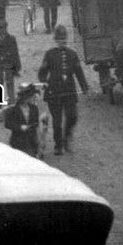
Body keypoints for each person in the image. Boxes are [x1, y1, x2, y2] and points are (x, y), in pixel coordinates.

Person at [38, 26, 88, 155]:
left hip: (69, 92)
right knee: (57, 121)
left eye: (64, 39)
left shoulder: (72, 54)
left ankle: (67, 138)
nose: (62, 42)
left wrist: (84, 87)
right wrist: (44, 82)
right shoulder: (49, 54)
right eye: (60, 39)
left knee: (72, 117)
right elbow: (42, 73)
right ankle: (58, 145)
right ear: (56, 40)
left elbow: (79, 72)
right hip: (54, 92)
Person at [2, 83, 45, 157]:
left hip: (32, 141)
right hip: (18, 141)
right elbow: (7, 124)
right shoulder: (13, 109)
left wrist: (39, 142)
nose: (30, 99)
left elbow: (36, 124)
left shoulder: (34, 108)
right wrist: (20, 127)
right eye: (28, 97)